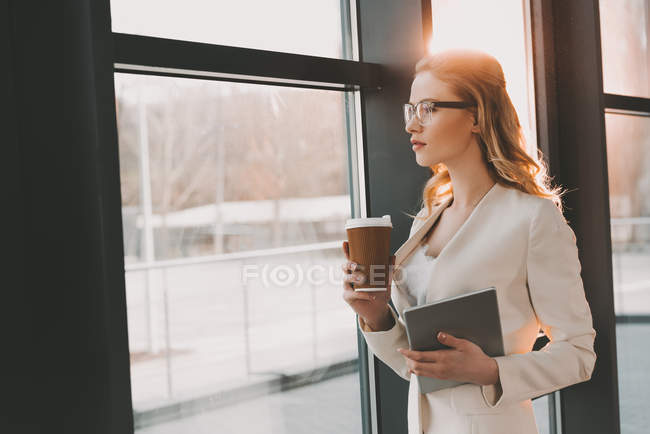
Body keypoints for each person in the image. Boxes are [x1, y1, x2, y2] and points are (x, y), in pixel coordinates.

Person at [340, 49, 597, 434]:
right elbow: (421, 366)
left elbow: (579, 353)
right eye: (410, 110)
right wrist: (376, 315)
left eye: (427, 108)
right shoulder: (428, 219)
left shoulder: (532, 218)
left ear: (476, 116)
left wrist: (492, 370)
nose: (412, 125)